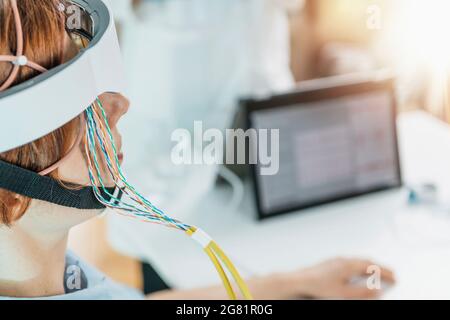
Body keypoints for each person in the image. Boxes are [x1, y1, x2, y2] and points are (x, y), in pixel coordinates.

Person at [0, 0, 395, 300]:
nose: (121, 105)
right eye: (75, 101)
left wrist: (297, 284)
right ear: (12, 187)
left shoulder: (56, 275)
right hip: (174, 164)